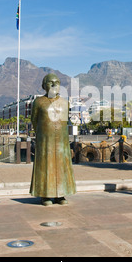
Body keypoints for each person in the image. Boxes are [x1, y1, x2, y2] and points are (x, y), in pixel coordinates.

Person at [29, 73, 76, 206]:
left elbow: (66, 121)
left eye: (57, 82)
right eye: (51, 82)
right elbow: (34, 120)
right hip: (45, 139)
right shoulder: (38, 102)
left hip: (62, 140)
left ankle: (61, 194)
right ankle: (46, 195)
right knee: (46, 166)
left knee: (62, 166)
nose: (54, 85)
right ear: (44, 85)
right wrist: (42, 133)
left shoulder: (65, 103)